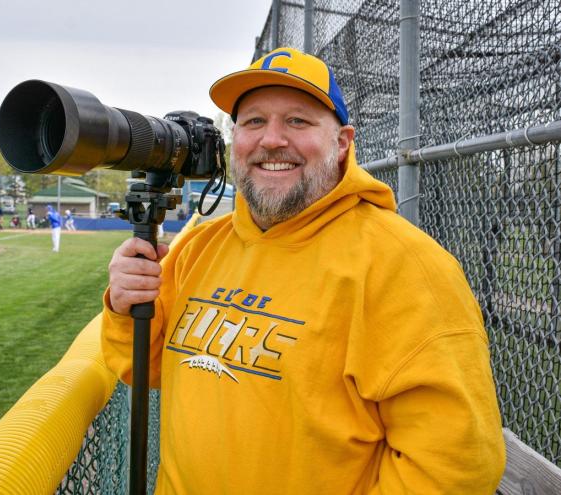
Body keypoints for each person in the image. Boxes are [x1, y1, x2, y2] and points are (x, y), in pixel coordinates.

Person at [100, 47, 505, 494]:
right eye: (254, 122)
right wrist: (125, 308)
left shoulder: (406, 266)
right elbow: (146, 369)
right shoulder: (199, 246)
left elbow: (455, 466)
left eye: (297, 121)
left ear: (343, 142)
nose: (272, 139)